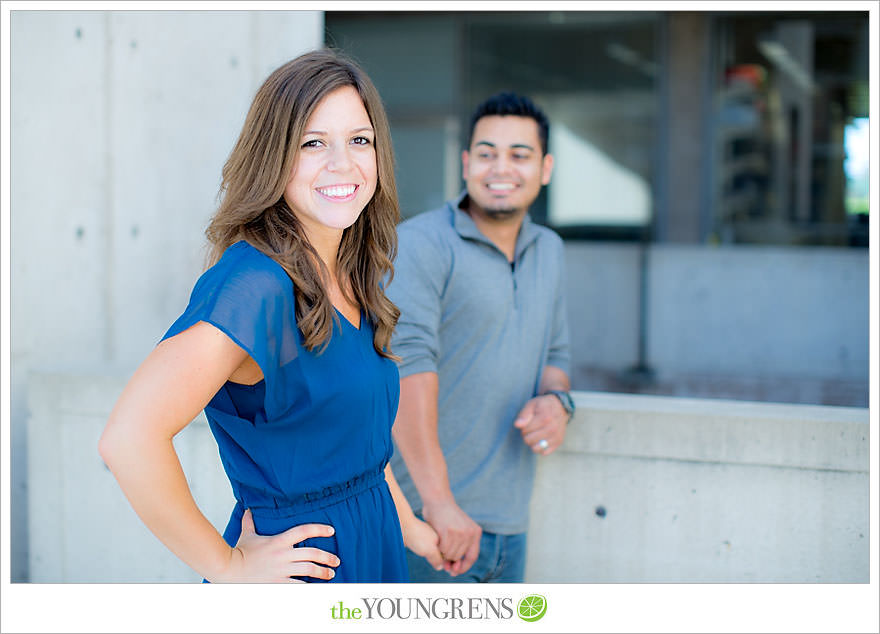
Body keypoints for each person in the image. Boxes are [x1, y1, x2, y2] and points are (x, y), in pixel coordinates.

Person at [98, 49, 443, 583]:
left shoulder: (351, 269)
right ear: (273, 156)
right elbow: (128, 439)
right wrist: (228, 565)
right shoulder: (254, 286)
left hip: (373, 540)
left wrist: (411, 530)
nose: (343, 163)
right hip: (307, 566)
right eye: (312, 143)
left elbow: (355, 446)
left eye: (359, 139)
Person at [387, 92, 575, 582]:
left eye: (520, 155)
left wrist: (557, 402)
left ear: (545, 167)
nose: (501, 168)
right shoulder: (421, 244)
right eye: (487, 153)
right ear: (467, 163)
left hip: (511, 522)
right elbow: (406, 371)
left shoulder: (549, 250)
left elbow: (555, 353)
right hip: (427, 526)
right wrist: (439, 505)